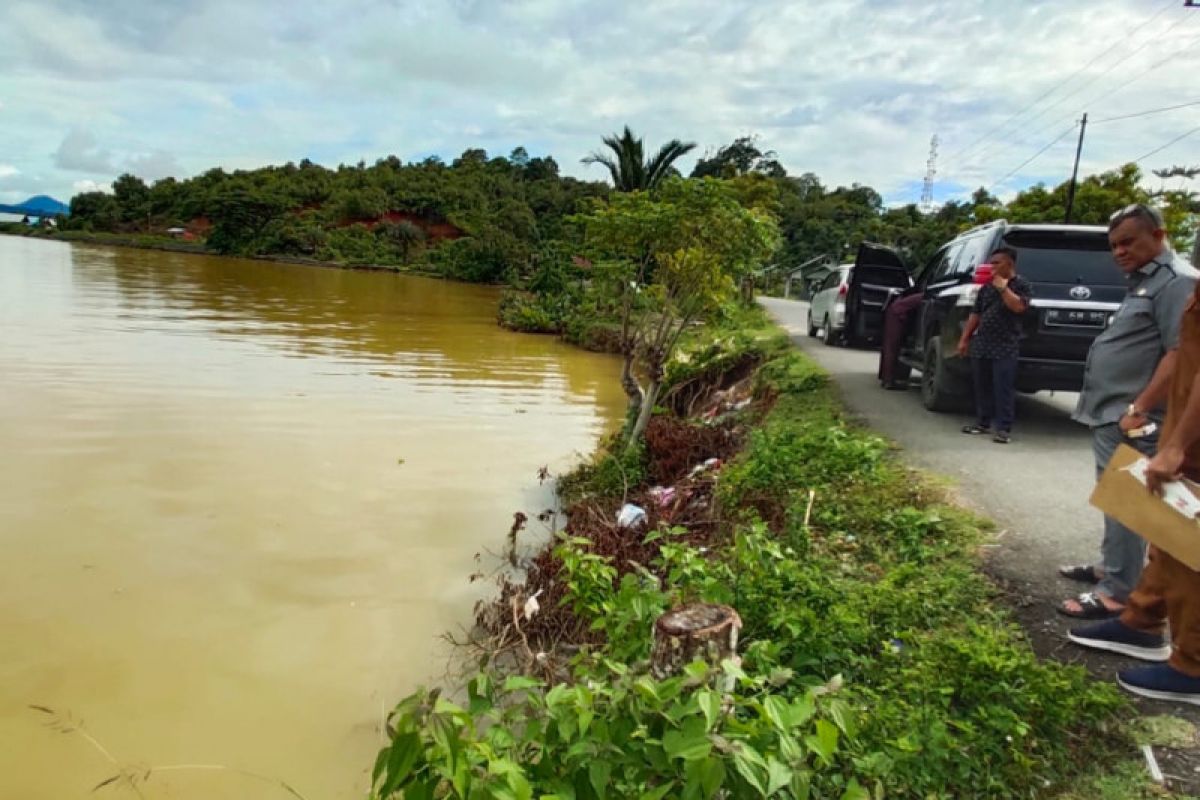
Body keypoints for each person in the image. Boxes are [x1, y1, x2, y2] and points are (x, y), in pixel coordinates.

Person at [1067, 271, 1200, 704]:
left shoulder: (1172, 282)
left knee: (1188, 544)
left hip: (1190, 436)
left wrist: (1177, 443)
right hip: (1182, 425)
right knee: (1166, 532)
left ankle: (1192, 664)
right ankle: (1141, 620)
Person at [1059, 203, 1195, 619]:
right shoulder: (1144, 282)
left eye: (1128, 242)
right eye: (1114, 245)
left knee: (1129, 501)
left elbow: (1180, 353)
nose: (1119, 252)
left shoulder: (1175, 282)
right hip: (1114, 409)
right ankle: (1115, 567)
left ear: (1158, 235)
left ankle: (1117, 591)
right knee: (1116, 497)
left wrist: (1140, 406)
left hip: (1135, 415)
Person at [956, 247, 1032, 444]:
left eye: (997, 263)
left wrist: (1003, 288)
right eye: (992, 263)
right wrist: (965, 338)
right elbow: (976, 313)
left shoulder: (1021, 284)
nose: (993, 267)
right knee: (982, 385)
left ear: (1010, 263)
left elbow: (1019, 307)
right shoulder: (986, 287)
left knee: (1003, 387)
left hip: (1005, 345)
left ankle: (1004, 429)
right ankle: (982, 422)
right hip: (983, 343)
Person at [878, 289, 924, 389]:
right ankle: (888, 382)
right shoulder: (923, 297)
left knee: (889, 348)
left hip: (895, 312)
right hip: (896, 314)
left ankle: (886, 378)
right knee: (891, 348)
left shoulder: (915, 296)